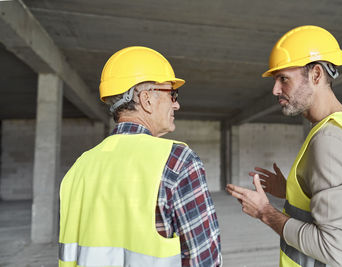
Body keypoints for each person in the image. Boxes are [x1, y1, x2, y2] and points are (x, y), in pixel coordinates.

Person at [226, 25, 342, 266]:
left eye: (283, 79)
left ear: (316, 75)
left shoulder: (330, 139)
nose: (275, 90)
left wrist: (265, 212)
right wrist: (291, 192)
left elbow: (337, 250)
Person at [58, 46, 222, 267]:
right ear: (146, 99)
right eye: (172, 94)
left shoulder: (79, 168)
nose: (176, 104)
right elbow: (204, 259)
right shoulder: (177, 161)